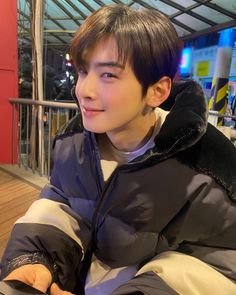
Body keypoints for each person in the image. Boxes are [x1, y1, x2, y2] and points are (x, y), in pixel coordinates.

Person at [1, 4, 236, 295]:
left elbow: (224, 263)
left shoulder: (210, 165)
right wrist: (36, 260)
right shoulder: (74, 141)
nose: (83, 90)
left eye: (108, 75)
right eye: (84, 71)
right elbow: (60, 202)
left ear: (157, 91)